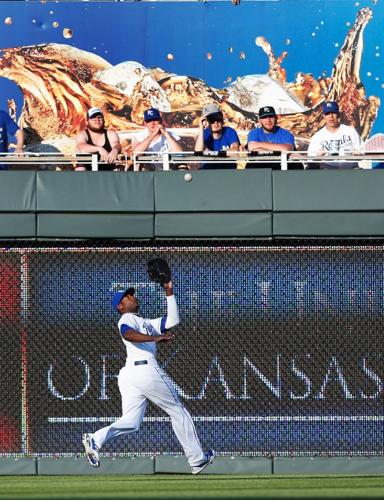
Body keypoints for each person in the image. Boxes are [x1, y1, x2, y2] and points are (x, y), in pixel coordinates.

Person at [82, 282, 215, 475]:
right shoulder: (126, 319)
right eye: (127, 297)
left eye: (131, 295)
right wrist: (154, 339)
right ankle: (197, 459)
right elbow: (127, 334)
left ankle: (96, 438)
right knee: (178, 411)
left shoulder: (144, 322)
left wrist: (168, 291)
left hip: (130, 375)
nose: (133, 297)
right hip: (146, 370)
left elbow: (172, 320)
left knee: (131, 422)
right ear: (120, 306)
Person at [307, 101, 363, 169]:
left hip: (351, 170)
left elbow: (362, 151)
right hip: (327, 172)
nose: (331, 116)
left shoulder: (350, 131)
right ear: (324, 116)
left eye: (333, 113)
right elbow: (310, 161)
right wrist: (318, 156)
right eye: (327, 114)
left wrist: (358, 154)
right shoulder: (317, 137)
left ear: (338, 114)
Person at [194, 103, 240, 169]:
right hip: (208, 171)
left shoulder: (230, 132)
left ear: (222, 121)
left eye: (218, 119)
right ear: (205, 121)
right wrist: (201, 127)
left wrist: (211, 154)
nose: (215, 123)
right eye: (212, 120)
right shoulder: (202, 135)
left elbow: (235, 152)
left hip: (228, 171)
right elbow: (198, 152)